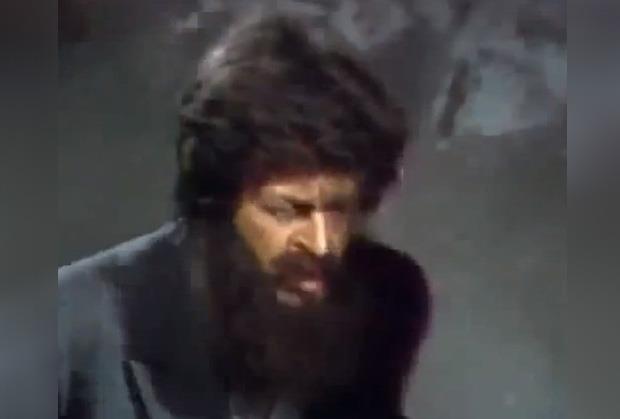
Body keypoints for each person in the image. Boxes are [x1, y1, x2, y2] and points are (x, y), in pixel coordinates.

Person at [58, 14, 431, 419]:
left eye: (339, 208)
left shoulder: (385, 302)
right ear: (219, 203)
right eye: (287, 211)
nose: (323, 244)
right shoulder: (75, 319)